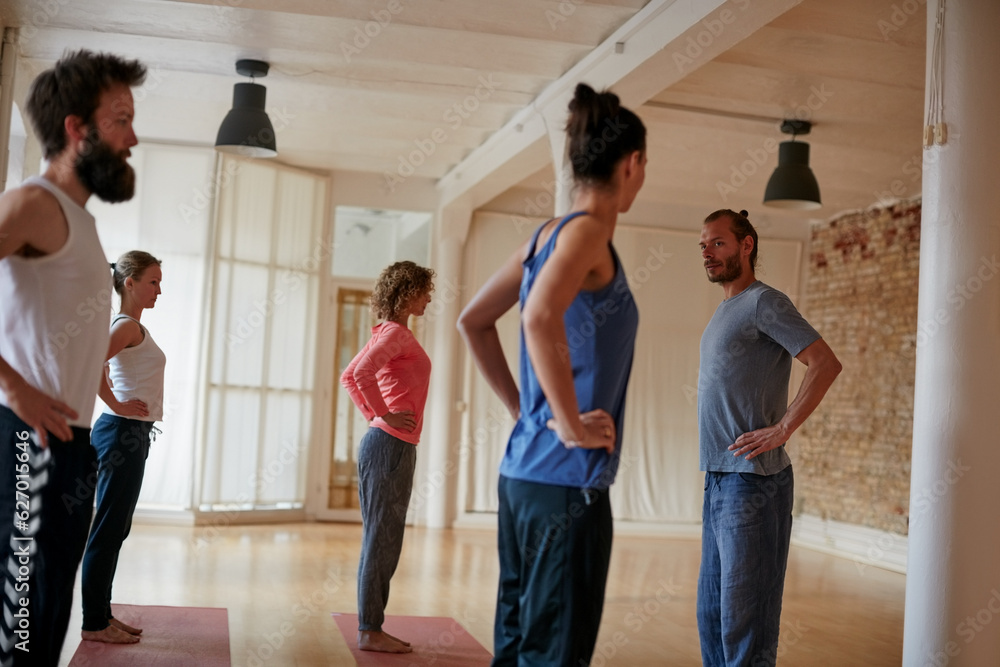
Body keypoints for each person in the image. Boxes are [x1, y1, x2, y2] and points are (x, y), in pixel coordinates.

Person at [457, 82, 645, 666]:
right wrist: (568, 425)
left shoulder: (544, 236)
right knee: (553, 653)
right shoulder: (587, 232)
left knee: (518, 644)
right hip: (567, 484)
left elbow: (473, 321)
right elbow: (538, 318)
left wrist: (526, 413)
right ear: (633, 165)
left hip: (523, 478)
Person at [0, 50, 145, 665]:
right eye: (120, 120)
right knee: (22, 628)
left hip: (72, 445)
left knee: (49, 616)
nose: (133, 138)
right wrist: (14, 388)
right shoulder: (32, 201)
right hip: (29, 441)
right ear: (76, 129)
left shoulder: (80, 223)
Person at [696, 209, 842, 666]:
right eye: (703, 244)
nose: (707, 251)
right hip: (720, 478)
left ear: (746, 246)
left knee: (746, 621)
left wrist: (783, 429)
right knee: (712, 616)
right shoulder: (725, 309)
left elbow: (824, 363)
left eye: (718, 242)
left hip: (754, 484)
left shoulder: (764, 302)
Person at [340, 261, 435, 654]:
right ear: (408, 293)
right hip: (390, 445)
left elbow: (350, 375)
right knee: (383, 539)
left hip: (388, 444)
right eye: (424, 291)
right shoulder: (395, 333)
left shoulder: (388, 332)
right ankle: (370, 629)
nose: (429, 298)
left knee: (381, 538)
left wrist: (374, 415)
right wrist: (382, 414)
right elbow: (358, 374)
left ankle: (371, 626)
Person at [79, 251, 165, 645]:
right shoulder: (126, 326)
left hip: (130, 434)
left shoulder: (131, 327)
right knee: (108, 528)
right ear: (128, 284)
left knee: (116, 527)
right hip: (120, 433)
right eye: (152, 281)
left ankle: (102, 615)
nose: (158, 290)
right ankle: (94, 623)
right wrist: (114, 404)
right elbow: (90, 361)